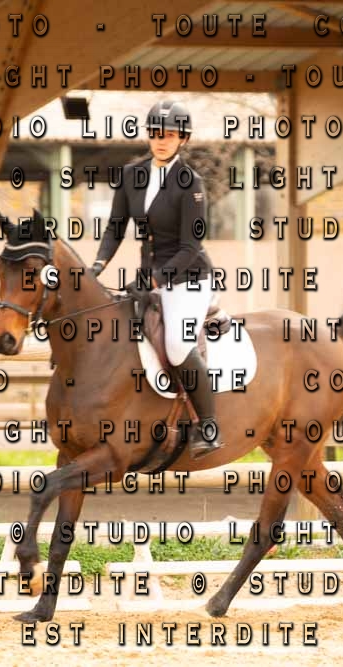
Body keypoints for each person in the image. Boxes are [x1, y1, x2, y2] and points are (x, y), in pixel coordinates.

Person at [90, 98, 221, 459]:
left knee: (177, 345)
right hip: (149, 278)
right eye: (156, 134)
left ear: (183, 139)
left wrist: (157, 279)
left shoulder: (191, 183)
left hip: (188, 278)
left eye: (170, 135)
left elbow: (191, 246)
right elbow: (115, 228)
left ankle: (208, 426)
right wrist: (98, 265)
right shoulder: (131, 175)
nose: (161, 140)